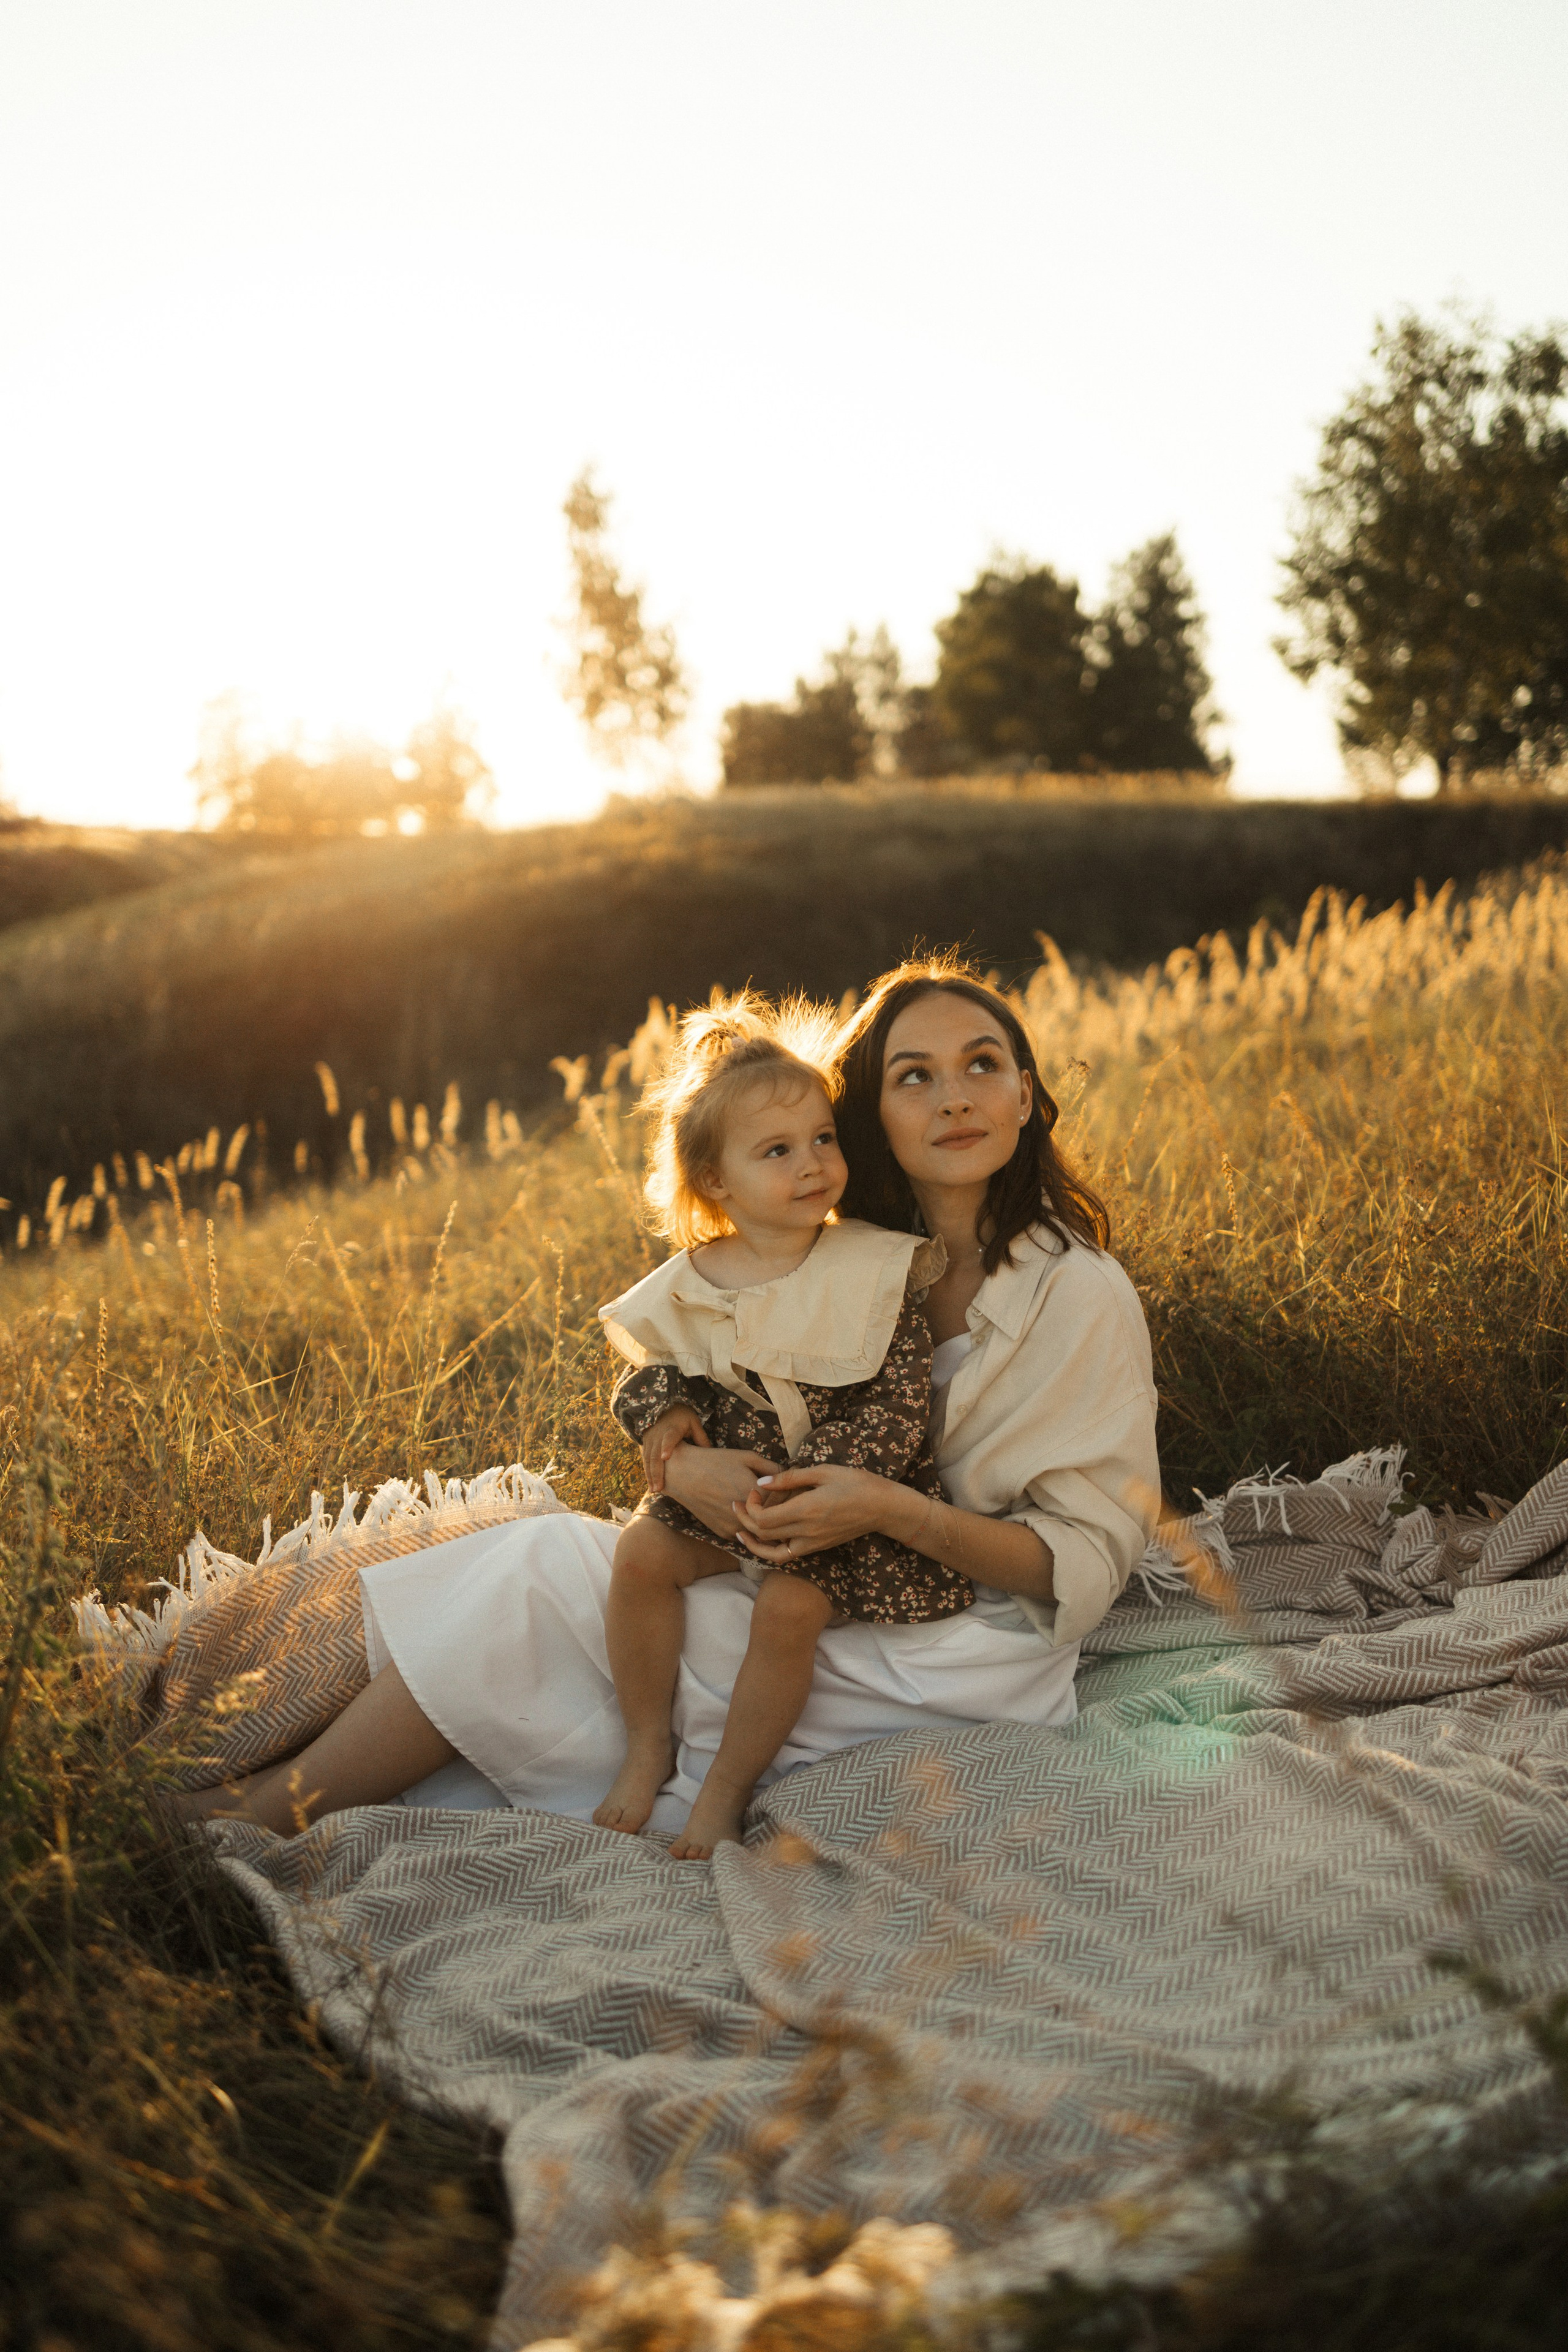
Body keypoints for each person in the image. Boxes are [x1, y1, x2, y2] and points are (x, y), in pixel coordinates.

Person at [181, 956, 1159, 1844]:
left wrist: (887, 1508)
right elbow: (700, 1366)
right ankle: (263, 1787)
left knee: (543, 1586)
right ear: (875, 1111)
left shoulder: (1076, 1293)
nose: (954, 1098)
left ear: (1027, 1096)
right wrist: (682, 1461)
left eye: (983, 1064)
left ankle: (254, 1817)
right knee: (574, 1578)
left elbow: (1081, 1563)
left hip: (954, 1645)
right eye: (915, 1076)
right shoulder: (841, 1248)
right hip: (814, 1559)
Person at [594, 996, 976, 1858]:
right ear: (718, 1182)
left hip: (842, 1511)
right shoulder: (694, 1278)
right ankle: (647, 1740)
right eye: (777, 1152)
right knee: (640, 1556)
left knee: (790, 1609)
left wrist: (809, 1493)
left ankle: (724, 1789)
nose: (811, 1164)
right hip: (730, 1502)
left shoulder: (871, 1266)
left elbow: (897, 1400)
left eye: (822, 1140)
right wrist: (671, 1421)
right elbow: (650, 1370)